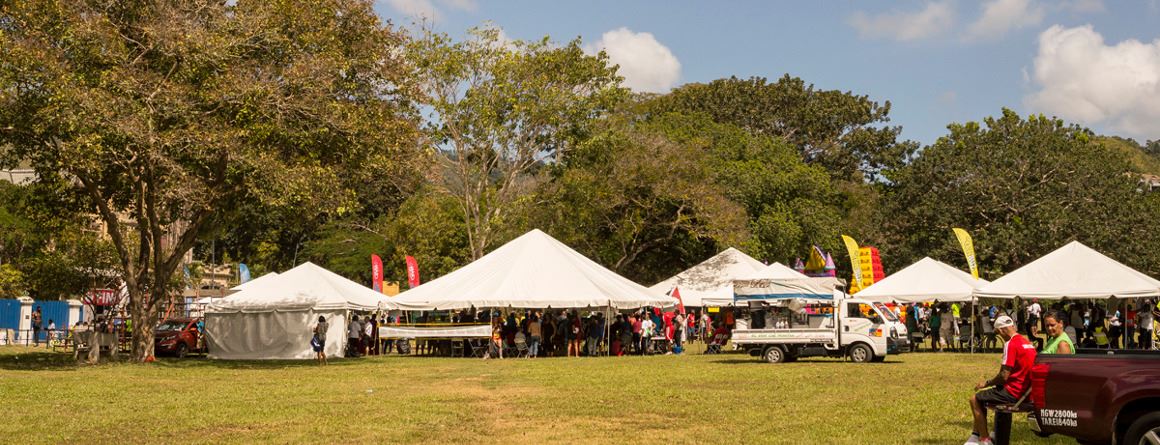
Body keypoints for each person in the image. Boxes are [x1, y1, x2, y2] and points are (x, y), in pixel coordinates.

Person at [965, 315, 1036, 445]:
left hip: (1014, 393)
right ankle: (989, 437)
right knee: (996, 397)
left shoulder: (1010, 344)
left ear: (1002, 330)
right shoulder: (1027, 342)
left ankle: (984, 439)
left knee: (974, 399)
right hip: (1027, 393)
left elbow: (1004, 376)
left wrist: (986, 383)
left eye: (998, 333)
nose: (1000, 337)